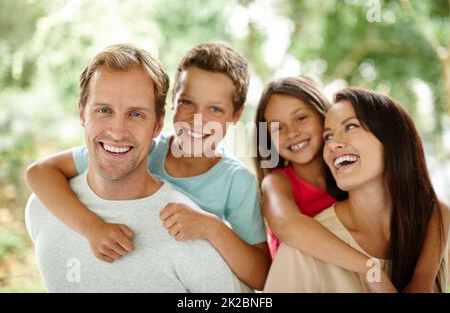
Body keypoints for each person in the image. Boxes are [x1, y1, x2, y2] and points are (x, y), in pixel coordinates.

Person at [25, 42, 271, 290]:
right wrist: (91, 227)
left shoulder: (236, 181)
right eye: (187, 103)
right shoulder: (144, 150)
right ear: (173, 102)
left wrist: (212, 227)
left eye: (215, 109)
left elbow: (261, 275)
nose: (198, 119)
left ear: (236, 115)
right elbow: (40, 172)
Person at [263, 87, 449, 292]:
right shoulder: (299, 245)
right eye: (329, 136)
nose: (333, 145)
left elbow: (435, 207)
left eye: (350, 126)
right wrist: (370, 269)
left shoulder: (433, 228)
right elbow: (287, 225)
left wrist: (422, 281)